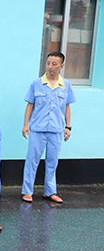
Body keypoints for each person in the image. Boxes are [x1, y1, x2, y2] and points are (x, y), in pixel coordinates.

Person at [21, 52, 76, 204]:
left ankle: (50, 192)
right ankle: (27, 192)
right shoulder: (36, 83)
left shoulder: (66, 85)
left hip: (56, 130)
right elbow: (30, 105)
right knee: (32, 161)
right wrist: (26, 125)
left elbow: (67, 106)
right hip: (38, 129)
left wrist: (68, 127)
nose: (50, 66)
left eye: (54, 64)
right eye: (48, 63)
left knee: (52, 162)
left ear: (61, 66)